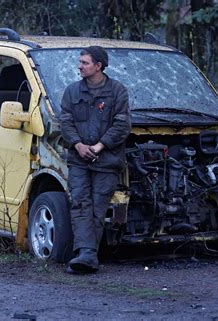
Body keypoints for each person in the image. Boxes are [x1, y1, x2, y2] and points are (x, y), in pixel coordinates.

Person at [60, 46, 131, 274]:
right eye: (80, 62)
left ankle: (87, 254)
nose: (79, 66)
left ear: (98, 66)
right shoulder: (72, 92)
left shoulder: (118, 91)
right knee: (80, 203)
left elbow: (122, 125)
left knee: (97, 207)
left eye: (84, 62)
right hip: (79, 159)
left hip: (107, 160)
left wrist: (99, 146)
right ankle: (86, 255)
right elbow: (66, 122)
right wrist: (78, 145)